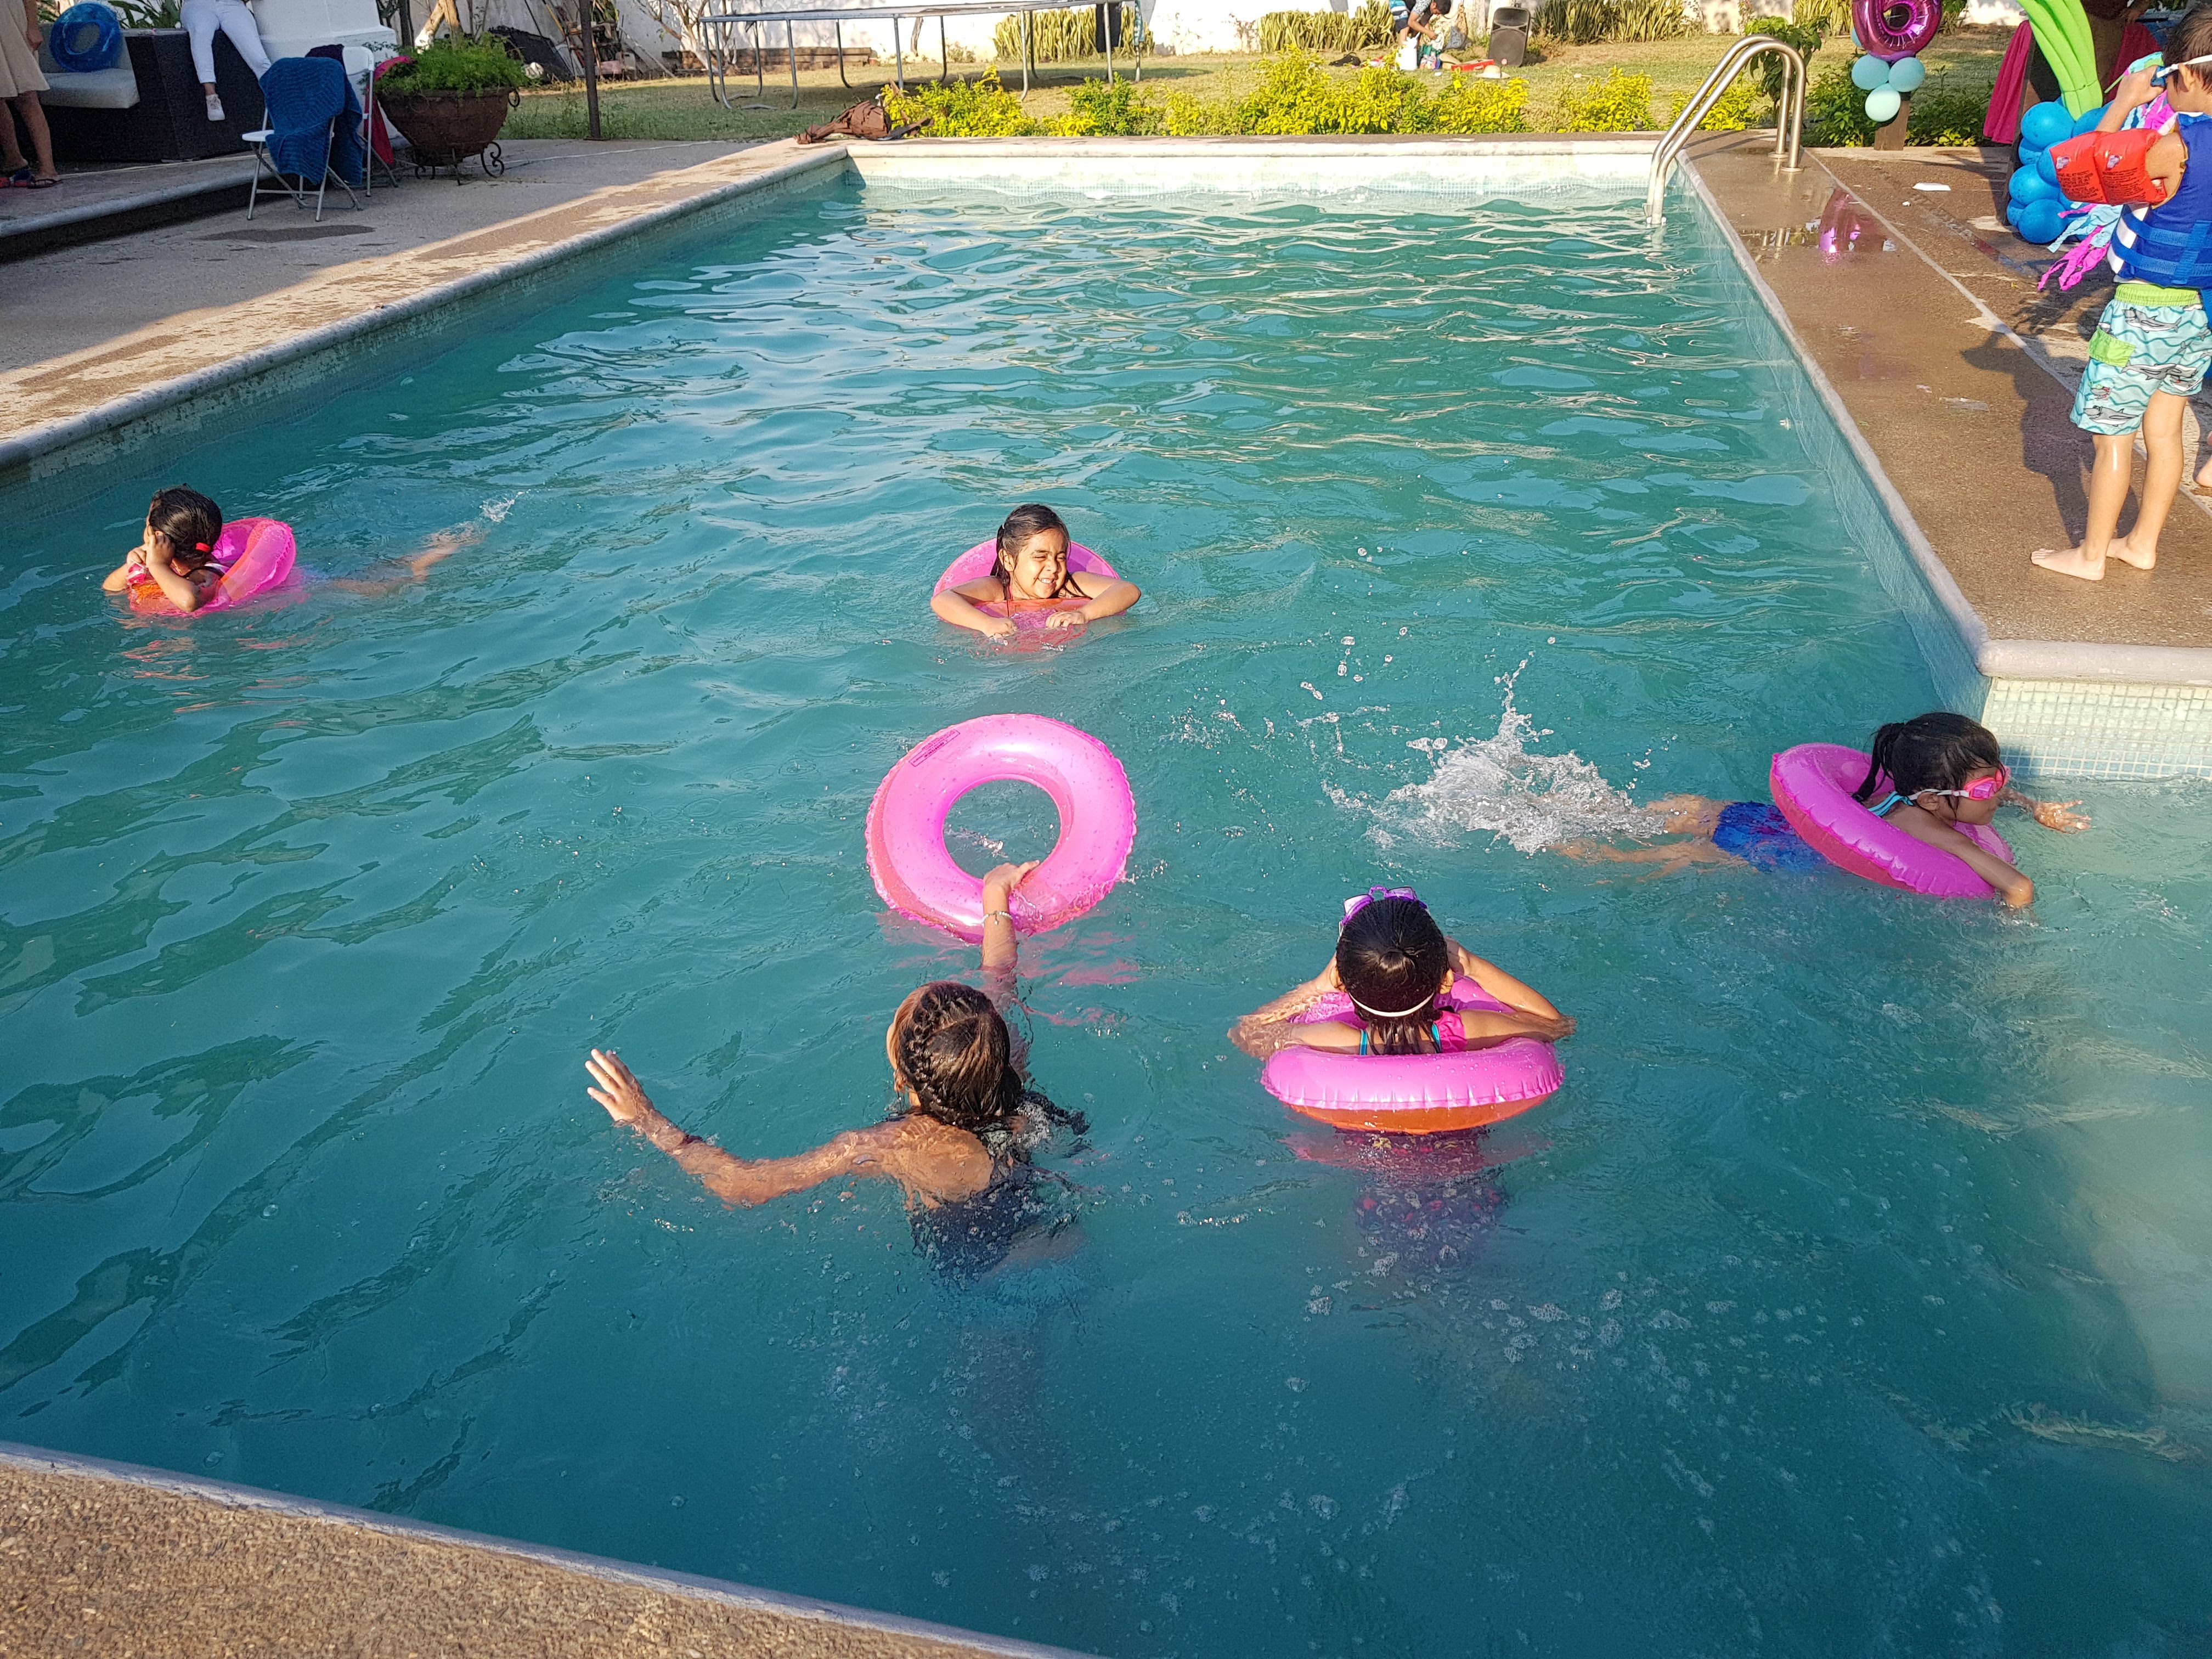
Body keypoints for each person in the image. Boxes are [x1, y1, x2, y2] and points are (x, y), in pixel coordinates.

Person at [586, 861, 1088, 1278]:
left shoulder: (891, 1145)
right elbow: (1000, 974)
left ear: (903, 1077)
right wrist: (995, 898)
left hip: (991, 1272)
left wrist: (649, 1122)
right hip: (1056, 1234)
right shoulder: (999, 1058)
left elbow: (746, 1187)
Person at [1560, 713, 2088, 908]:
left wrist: (2031, 805)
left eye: (2001, 780)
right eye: (1986, 789)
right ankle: (1583, 855)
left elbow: (1987, 799)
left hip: (1778, 821)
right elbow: (2019, 887)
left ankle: (1560, 808)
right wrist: (2010, 931)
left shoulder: (1920, 798)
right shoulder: (1933, 831)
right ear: (1933, 798)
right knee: (1684, 855)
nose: (1998, 794)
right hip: (1783, 854)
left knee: (1689, 814)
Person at [2031, 15, 2212, 581]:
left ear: (2183, 74)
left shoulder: (2171, 150)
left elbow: (2077, 172)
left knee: (2112, 439)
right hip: (2195, 317)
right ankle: (2141, 545)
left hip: (2141, 312)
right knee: (2165, 434)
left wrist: (2125, 101)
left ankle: (2090, 556)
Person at [1228, 888, 1573, 1061]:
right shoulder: (1471, 1030)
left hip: (1373, 1188)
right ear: (1446, 980)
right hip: (1476, 1185)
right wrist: (1472, 965)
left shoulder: (1337, 1039)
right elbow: (1555, 1025)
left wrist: (1319, 985)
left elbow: (1247, 1033)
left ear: (1344, 985)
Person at [930, 504, 1141, 642]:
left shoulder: (1070, 586)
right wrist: (986, 623)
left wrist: (1084, 614)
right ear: (1008, 560)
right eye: (1040, 557)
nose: (1053, 567)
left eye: (1060, 557)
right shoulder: (998, 589)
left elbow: (1128, 590)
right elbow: (943, 600)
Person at [100, 487, 227, 613]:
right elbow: (110, 588)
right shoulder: (166, 562)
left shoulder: (209, 574)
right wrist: (131, 565)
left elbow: (189, 602)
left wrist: (157, 565)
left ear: (158, 536)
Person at [0, 0, 59, 189]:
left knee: (26, 94)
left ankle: (48, 168)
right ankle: (14, 161)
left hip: (10, 18)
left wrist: (33, 26)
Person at [180, 0, 269, 122]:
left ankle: (280, 98)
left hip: (232, 4)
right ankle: (211, 97)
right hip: (198, 5)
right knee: (201, 32)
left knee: (258, 58)